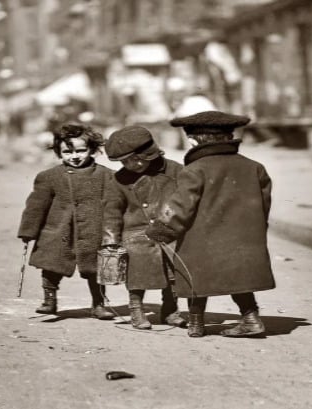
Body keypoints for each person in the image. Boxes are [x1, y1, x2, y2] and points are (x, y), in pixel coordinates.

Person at [145, 111, 275, 338]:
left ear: (194, 140)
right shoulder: (255, 167)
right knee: (240, 277)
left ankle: (196, 324)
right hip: (243, 238)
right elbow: (264, 204)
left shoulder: (195, 169)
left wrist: (162, 229)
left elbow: (180, 206)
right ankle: (250, 318)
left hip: (201, 238)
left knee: (194, 276)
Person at [18, 123, 115, 320]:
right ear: (58, 153)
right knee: (52, 265)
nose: (75, 156)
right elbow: (36, 206)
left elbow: (114, 205)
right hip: (58, 230)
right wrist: (28, 231)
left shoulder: (106, 176)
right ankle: (49, 300)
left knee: (96, 268)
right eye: (67, 152)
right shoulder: (49, 177)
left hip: (93, 230)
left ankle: (98, 303)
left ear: (93, 150)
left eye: (81, 150)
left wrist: (114, 232)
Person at [101, 125, 187, 330]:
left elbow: (187, 201)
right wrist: (110, 239)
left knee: (174, 273)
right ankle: (136, 310)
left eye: (135, 158)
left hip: (170, 231)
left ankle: (171, 310)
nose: (131, 165)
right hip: (136, 233)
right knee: (137, 272)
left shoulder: (176, 171)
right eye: (124, 161)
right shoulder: (118, 179)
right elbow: (111, 211)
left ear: (149, 152)